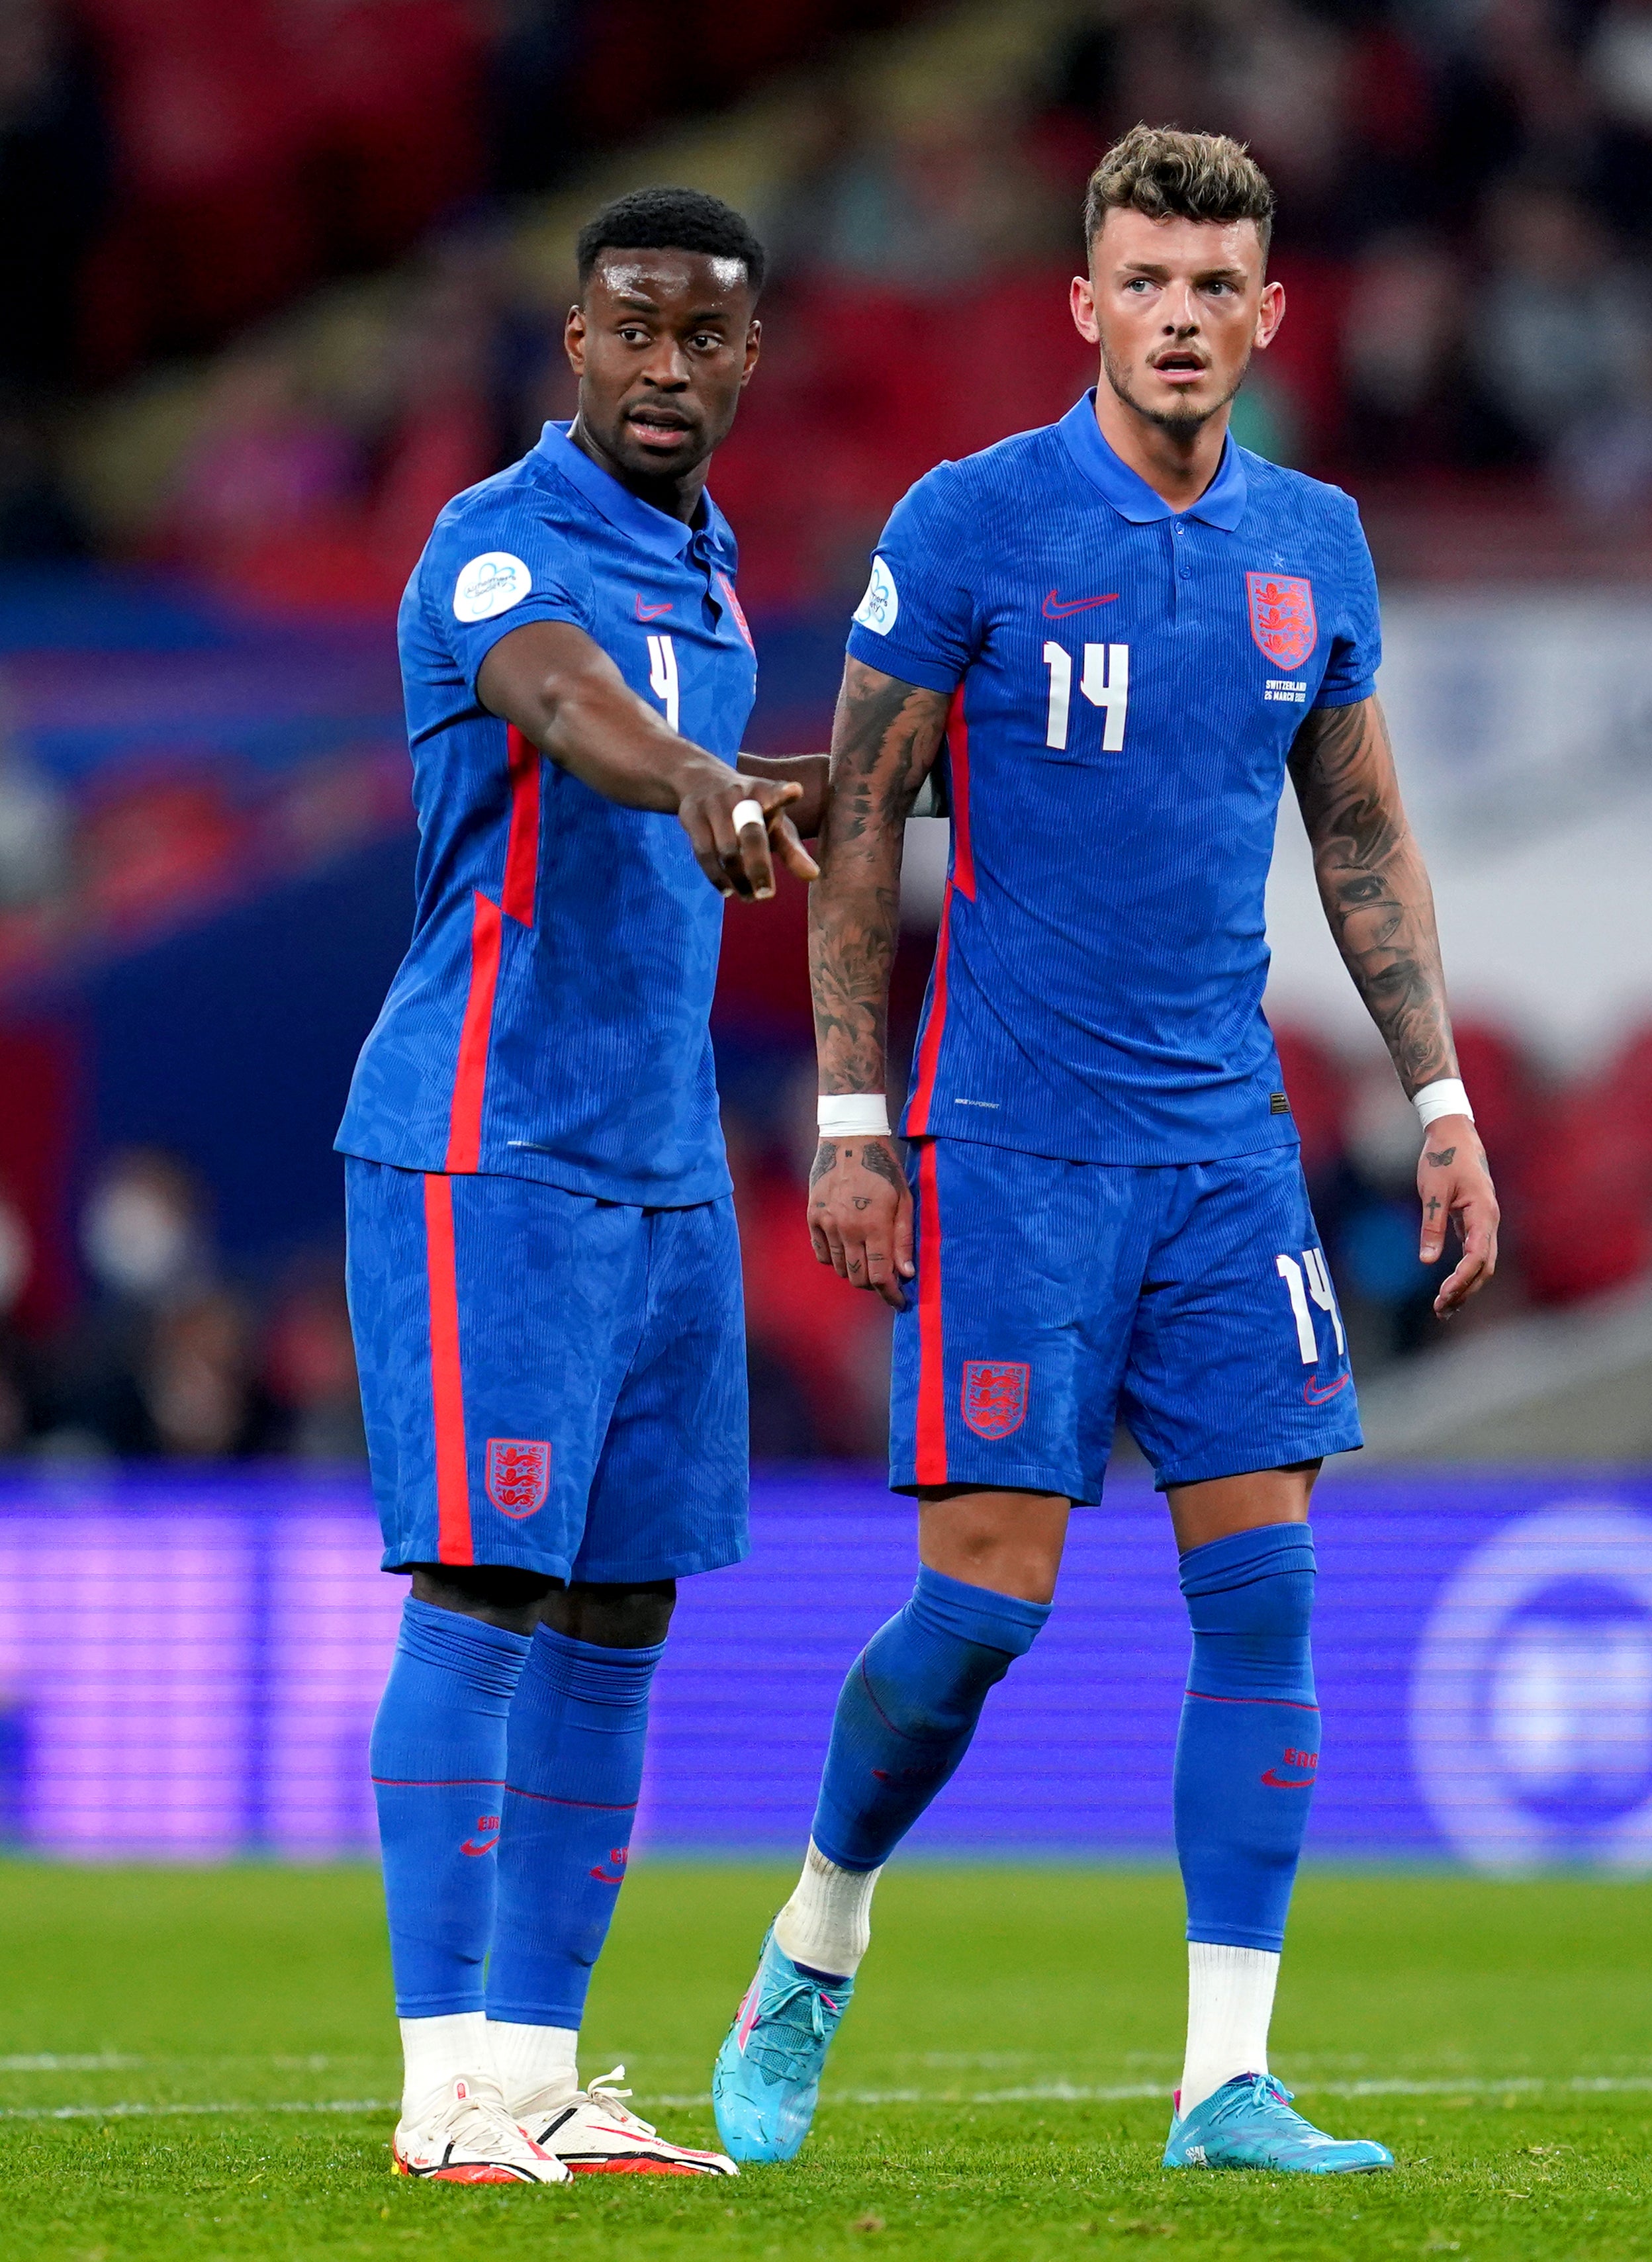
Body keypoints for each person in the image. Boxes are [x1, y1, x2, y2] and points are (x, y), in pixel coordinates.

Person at [712, 125, 1499, 2175]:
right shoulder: (970, 522)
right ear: (1082, 304)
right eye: (1140, 282)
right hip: (1013, 1153)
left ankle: (1220, 2079)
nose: (1175, 317)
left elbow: (1354, 838)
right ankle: (815, 1931)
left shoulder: (1310, 541)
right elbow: (863, 825)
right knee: (982, 1609)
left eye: (1210, 285)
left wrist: (1436, 1100)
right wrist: (855, 1117)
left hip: (1224, 1154)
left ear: (1265, 312)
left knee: (1265, 1601)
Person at [336, 185, 824, 2185]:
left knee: (619, 1605)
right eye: (633, 328)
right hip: (486, 1143)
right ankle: (441, 2081)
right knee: (485, 1582)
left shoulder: (710, 567)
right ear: (573, 342)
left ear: (745, 360)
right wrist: (700, 777)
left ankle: (536, 2069)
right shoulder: (499, 539)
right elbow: (559, 700)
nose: (666, 367)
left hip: (660, 1168)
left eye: (704, 336)